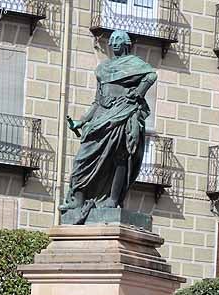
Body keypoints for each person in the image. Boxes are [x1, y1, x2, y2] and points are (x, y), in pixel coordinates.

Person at [59, 30, 157, 223]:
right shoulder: (103, 68)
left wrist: (138, 92)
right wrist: (82, 121)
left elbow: (151, 75)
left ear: (126, 43)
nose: (113, 44)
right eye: (111, 41)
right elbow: (97, 101)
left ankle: (112, 200)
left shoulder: (135, 64)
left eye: (117, 40)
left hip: (122, 113)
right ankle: (77, 200)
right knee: (82, 158)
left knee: (118, 158)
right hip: (102, 116)